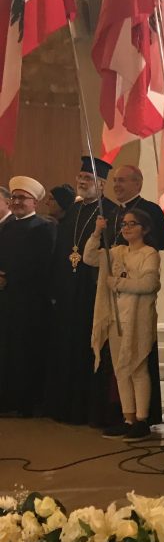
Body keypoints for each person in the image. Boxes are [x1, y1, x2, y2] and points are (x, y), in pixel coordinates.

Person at [45, 157, 118, 425]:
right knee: (66, 346)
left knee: (88, 348)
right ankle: (64, 406)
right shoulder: (73, 212)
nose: (81, 182)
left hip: (90, 292)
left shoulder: (108, 211)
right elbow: (61, 251)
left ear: (100, 185)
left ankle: (86, 410)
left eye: (87, 179)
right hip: (66, 292)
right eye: (80, 178)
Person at [84, 209, 161, 441]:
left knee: (137, 367)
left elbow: (149, 284)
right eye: (124, 224)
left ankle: (142, 418)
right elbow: (89, 257)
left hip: (137, 318)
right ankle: (128, 418)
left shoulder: (149, 253)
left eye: (132, 224)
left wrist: (116, 282)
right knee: (120, 369)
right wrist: (97, 232)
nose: (126, 228)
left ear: (144, 229)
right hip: (116, 317)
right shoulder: (116, 251)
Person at [0, 177, 56, 416]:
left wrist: (9, 277)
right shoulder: (8, 226)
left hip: (30, 300)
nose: (17, 202)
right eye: (14, 197)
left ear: (35, 202)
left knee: (25, 351)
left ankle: (26, 403)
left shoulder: (44, 227)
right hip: (7, 299)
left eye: (22, 198)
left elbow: (42, 264)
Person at [106, 165, 164, 250]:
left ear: (137, 184)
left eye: (121, 180)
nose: (116, 185)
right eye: (114, 180)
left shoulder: (152, 210)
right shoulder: (113, 212)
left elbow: (162, 245)